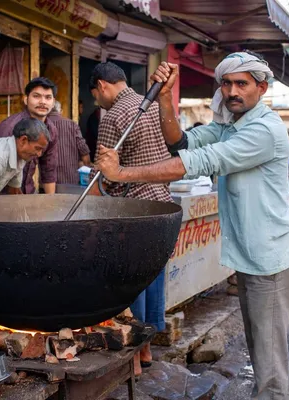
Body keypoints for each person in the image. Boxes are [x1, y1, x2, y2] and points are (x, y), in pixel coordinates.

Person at [95, 52, 289, 399]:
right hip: (254, 257)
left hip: (272, 261)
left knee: (271, 371)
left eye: (242, 83)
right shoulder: (230, 126)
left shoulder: (264, 130)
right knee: (262, 357)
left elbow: (201, 161)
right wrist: (164, 96)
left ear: (262, 88)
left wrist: (122, 173)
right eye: (227, 83)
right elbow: (181, 141)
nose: (233, 91)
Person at [88, 62, 173, 376]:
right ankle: (148, 348)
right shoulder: (153, 106)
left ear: (102, 85)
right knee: (152, 278)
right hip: (163, 205)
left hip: (134, 210)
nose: (98, 100)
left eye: (96, 94)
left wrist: (77, 211)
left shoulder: (113, 117)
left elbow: (104, 178)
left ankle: (134, 358)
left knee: (130, 283)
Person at [0, 77, 58, 194]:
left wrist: (50, 203)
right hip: (1, 194)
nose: (42, 102)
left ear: (53, 102)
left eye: (48, 97)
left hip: (28, 192)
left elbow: (48, 170)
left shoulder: (51, 129)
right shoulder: (9, 127)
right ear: (26, 99)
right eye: (36, 96)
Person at [48, 100, 91, 184]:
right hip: (70, 178)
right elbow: (83, 150)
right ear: (60, 111)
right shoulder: (72, 124)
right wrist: (87, 170)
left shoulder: (42, 125)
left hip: (47, 181)